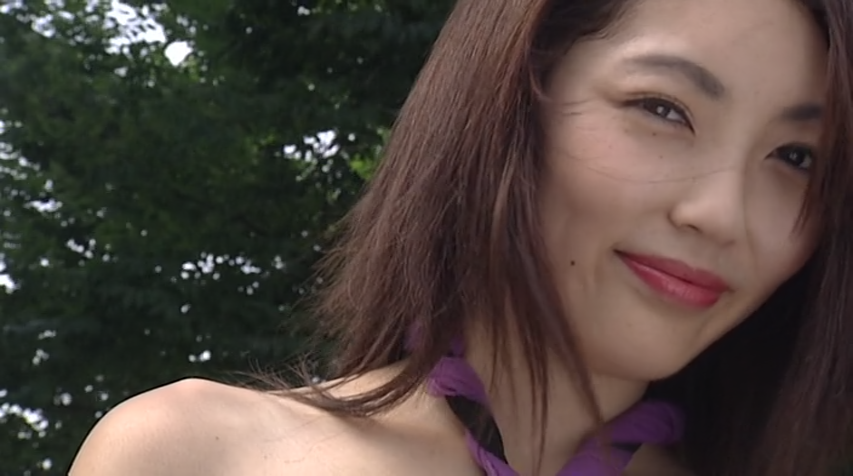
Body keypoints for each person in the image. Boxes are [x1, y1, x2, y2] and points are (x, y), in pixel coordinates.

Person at [70, 0, 853, 474]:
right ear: (510, 103)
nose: (722, 213)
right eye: (662, 109)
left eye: (797, 159)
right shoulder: (198, 455)